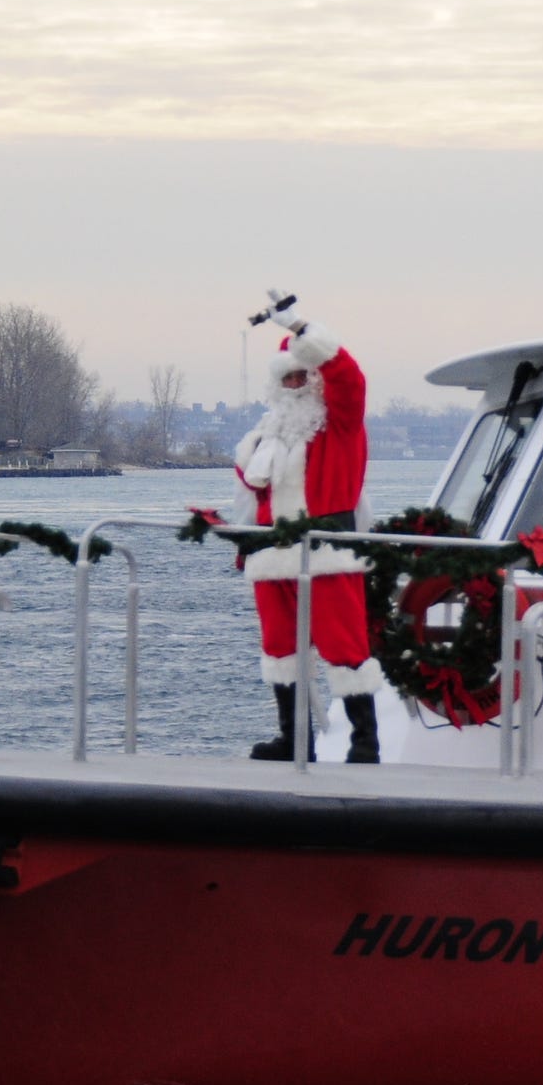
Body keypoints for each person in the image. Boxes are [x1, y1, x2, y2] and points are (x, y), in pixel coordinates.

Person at [233, 308, 386, 763]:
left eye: (305, 375)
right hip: (270, 555)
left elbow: (350, 379)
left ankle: (365, 741)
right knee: (280, 647)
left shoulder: (340, 426)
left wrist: (301, 330)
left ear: (319, 379)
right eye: (289, 378)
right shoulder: (263, 436)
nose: (296, 385)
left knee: (345, 645)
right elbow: (250, 497)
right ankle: (294, 738)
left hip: (327, 552)